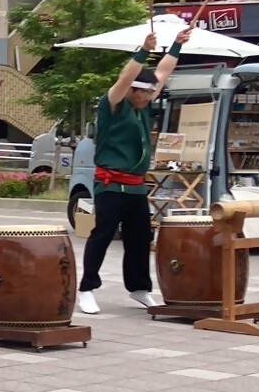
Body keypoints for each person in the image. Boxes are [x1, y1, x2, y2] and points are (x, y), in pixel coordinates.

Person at [78, 23, 194, 314]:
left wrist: (177, 45)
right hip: (109, 183)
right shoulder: (114, 104)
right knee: (102, 234)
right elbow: (124, 77)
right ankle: (87, 288)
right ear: (133, 91)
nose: (149, 97)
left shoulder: (143, 105)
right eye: (144, 93)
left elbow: (163, 73)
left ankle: (139, 288)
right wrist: (143, 51)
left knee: (141, 237)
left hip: (135, 185)